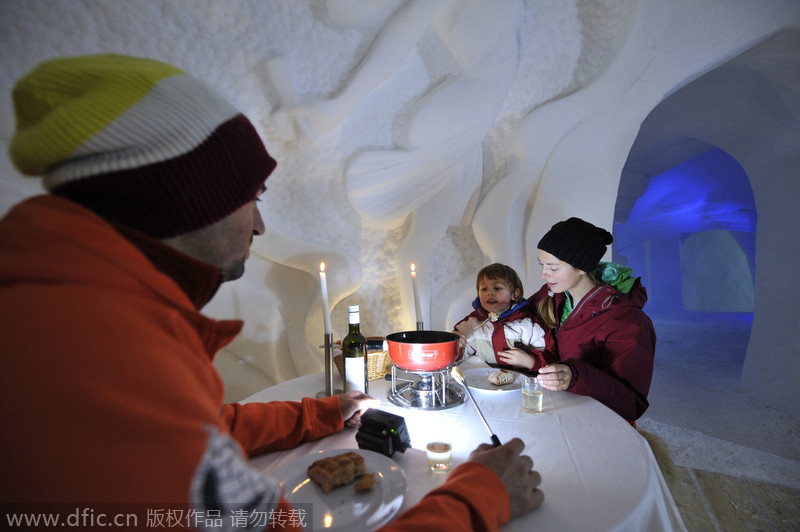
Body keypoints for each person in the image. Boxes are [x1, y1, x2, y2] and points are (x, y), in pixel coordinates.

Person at [0, 54, 543, 530]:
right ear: (188, 197)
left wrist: (318, 414)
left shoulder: (70, 303)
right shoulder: (105, 351)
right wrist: (479, 497)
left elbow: (197, 432)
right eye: (252, 197)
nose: (259, 226)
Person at [531, 217, 656, 423]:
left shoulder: (628, 321)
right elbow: (518, 317)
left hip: (600, 422)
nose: (544, 274)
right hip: (560, 409)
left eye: (553, 268)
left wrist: (575, 376)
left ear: (581, 267)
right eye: (542, 265)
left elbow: (631, 403)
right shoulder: (553, 294)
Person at [454, 263, 554, 371]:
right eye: (484, 289)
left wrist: (529, 361)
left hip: (522, 384)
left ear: (514, 294)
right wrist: (454, 343)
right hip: (484, 384)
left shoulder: (528, 325)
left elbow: (551, 360)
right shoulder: (471, 324)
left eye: (497, 288)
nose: (490, 293)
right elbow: (456, 358)